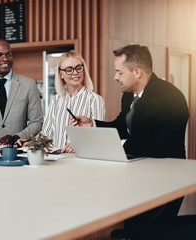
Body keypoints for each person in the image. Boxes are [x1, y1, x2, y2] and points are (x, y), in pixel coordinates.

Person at [76, 44, 189, 239]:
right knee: (134, 228)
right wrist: (93, 124)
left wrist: (120, 145)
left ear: (137, 72)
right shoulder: (129, 95)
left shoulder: (171, 98)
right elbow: (122, 126)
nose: (115, 77)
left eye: (119, 72)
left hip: (166, 181)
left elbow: (162, 147)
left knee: (152, 232)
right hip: (139, 177)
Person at [41, 51, 105, 153]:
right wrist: (30, 142)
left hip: (81, 159)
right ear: (60, 74)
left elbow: (98, 135)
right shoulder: (55, 100)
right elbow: (46, 134)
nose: (75, 73)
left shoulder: (94, 99)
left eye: (78, 68)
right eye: (69, 70)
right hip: (56, 159)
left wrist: (79, 144)